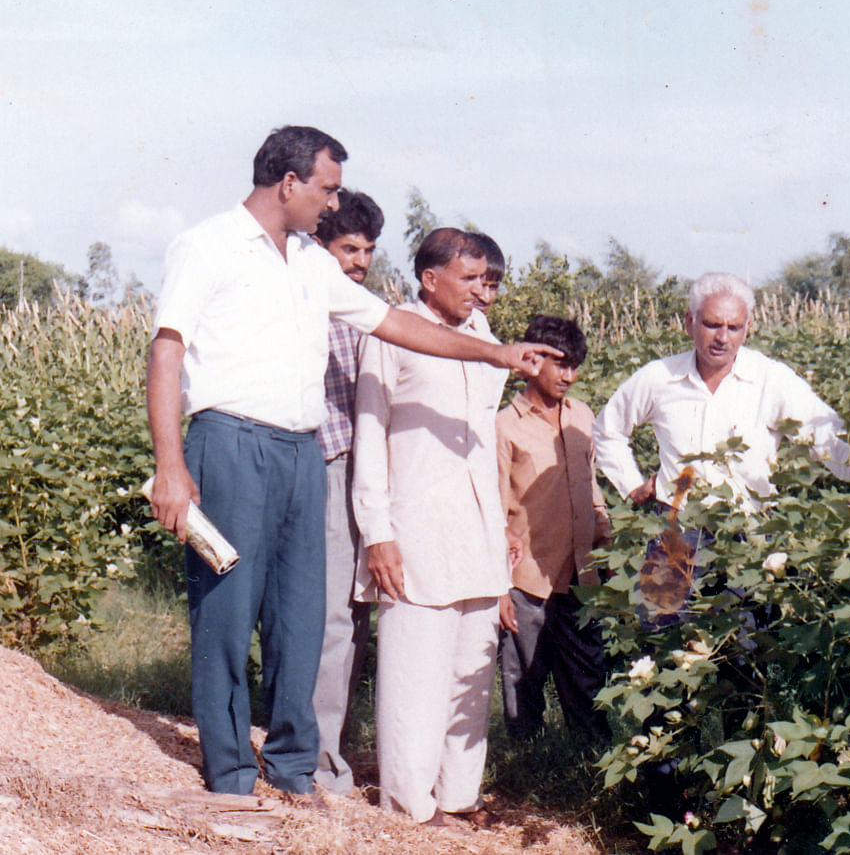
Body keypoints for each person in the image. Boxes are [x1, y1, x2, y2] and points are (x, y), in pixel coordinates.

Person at [145, 126, 554, 797]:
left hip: (304, 451)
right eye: (327, 189)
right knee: (228, 608)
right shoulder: (207, 244)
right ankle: (229, 771)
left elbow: (392, 323)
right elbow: (167, 350)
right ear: (289, 182)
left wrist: (492, 352)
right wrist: (171, 466)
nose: (333, 205)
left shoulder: (310, 261)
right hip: (230, 439)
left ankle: (293, 765)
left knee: (304, 615)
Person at [350, 227, 518, 829]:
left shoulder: (486, 342)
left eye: (486, 280)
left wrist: (500, 543)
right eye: (469, 279)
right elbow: (369, 438)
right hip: (414, 526)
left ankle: (457, 797)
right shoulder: (392, 334)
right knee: (413, 675)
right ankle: (408, 804)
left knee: (470, 668)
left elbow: (481, 450)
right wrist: (379, 533)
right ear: (430, 278)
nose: (482, 291)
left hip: (476, 530)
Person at [592, 271, 850, 514]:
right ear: (689, 322)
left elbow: (825, 438)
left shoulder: (771, 379)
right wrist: (632, 484)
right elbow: (607, 430)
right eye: (712, 324)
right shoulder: (659, 377)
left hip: (750, 531)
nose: (722, 338)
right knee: (662, 617)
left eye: (733, 327)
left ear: (747, 329)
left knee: (747, 619)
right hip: (676, 527)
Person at [496, 315, 612, 744]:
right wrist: (499, 587)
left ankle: (590, 761)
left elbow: (590, 480)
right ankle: (526, 765)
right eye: (560, 365)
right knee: (523, 675)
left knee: (587, 675)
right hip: (527, 575)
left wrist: (603, 527)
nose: (569, 376)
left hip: (581, 572)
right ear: (533, 362)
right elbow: (493, 505)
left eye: (574, 366)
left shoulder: (581, 415)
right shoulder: (505, 424)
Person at [309, 188, 383, 796]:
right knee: (333, 616)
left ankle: (327, 747)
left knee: (355, 618)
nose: (358, 261)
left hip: (369, 473)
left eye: (367, 251)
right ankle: (317, 761)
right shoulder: (310, 304)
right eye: (348, 248)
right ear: (320, 244)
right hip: (326, 465)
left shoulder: (366, 309)